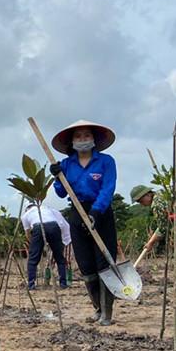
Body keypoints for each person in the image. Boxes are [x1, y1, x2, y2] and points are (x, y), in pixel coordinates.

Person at [49, 120, 117, 326]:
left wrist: (96, 212)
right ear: (72, 141)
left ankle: (107, 313)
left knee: (103, 262)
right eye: (78, 137)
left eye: (86, 136)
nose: (83, 140)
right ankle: (97, 307)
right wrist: (57, 177)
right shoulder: (67, 165)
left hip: (100, 213)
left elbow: (108, 188)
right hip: (77, 213)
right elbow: (61, 193)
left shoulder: (106, 161)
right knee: (86, 264)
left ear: (94, 139)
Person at [131, 185, 176, 289]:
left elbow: (163, 228)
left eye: (140, 200)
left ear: (147, 194)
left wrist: (152, 242)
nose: (141, 204)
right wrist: (151, 242)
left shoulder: (157, 204)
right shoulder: (164, 192)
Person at [21, 202, 71, 289]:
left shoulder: (25, 216)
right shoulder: (46, 209)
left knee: (33, 259)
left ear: (26, 209)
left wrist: (33, 243)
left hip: (38, 227)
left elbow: (28, 233)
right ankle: (63, 284)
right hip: (54, 226)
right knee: (59, 257)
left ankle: (31, 285)